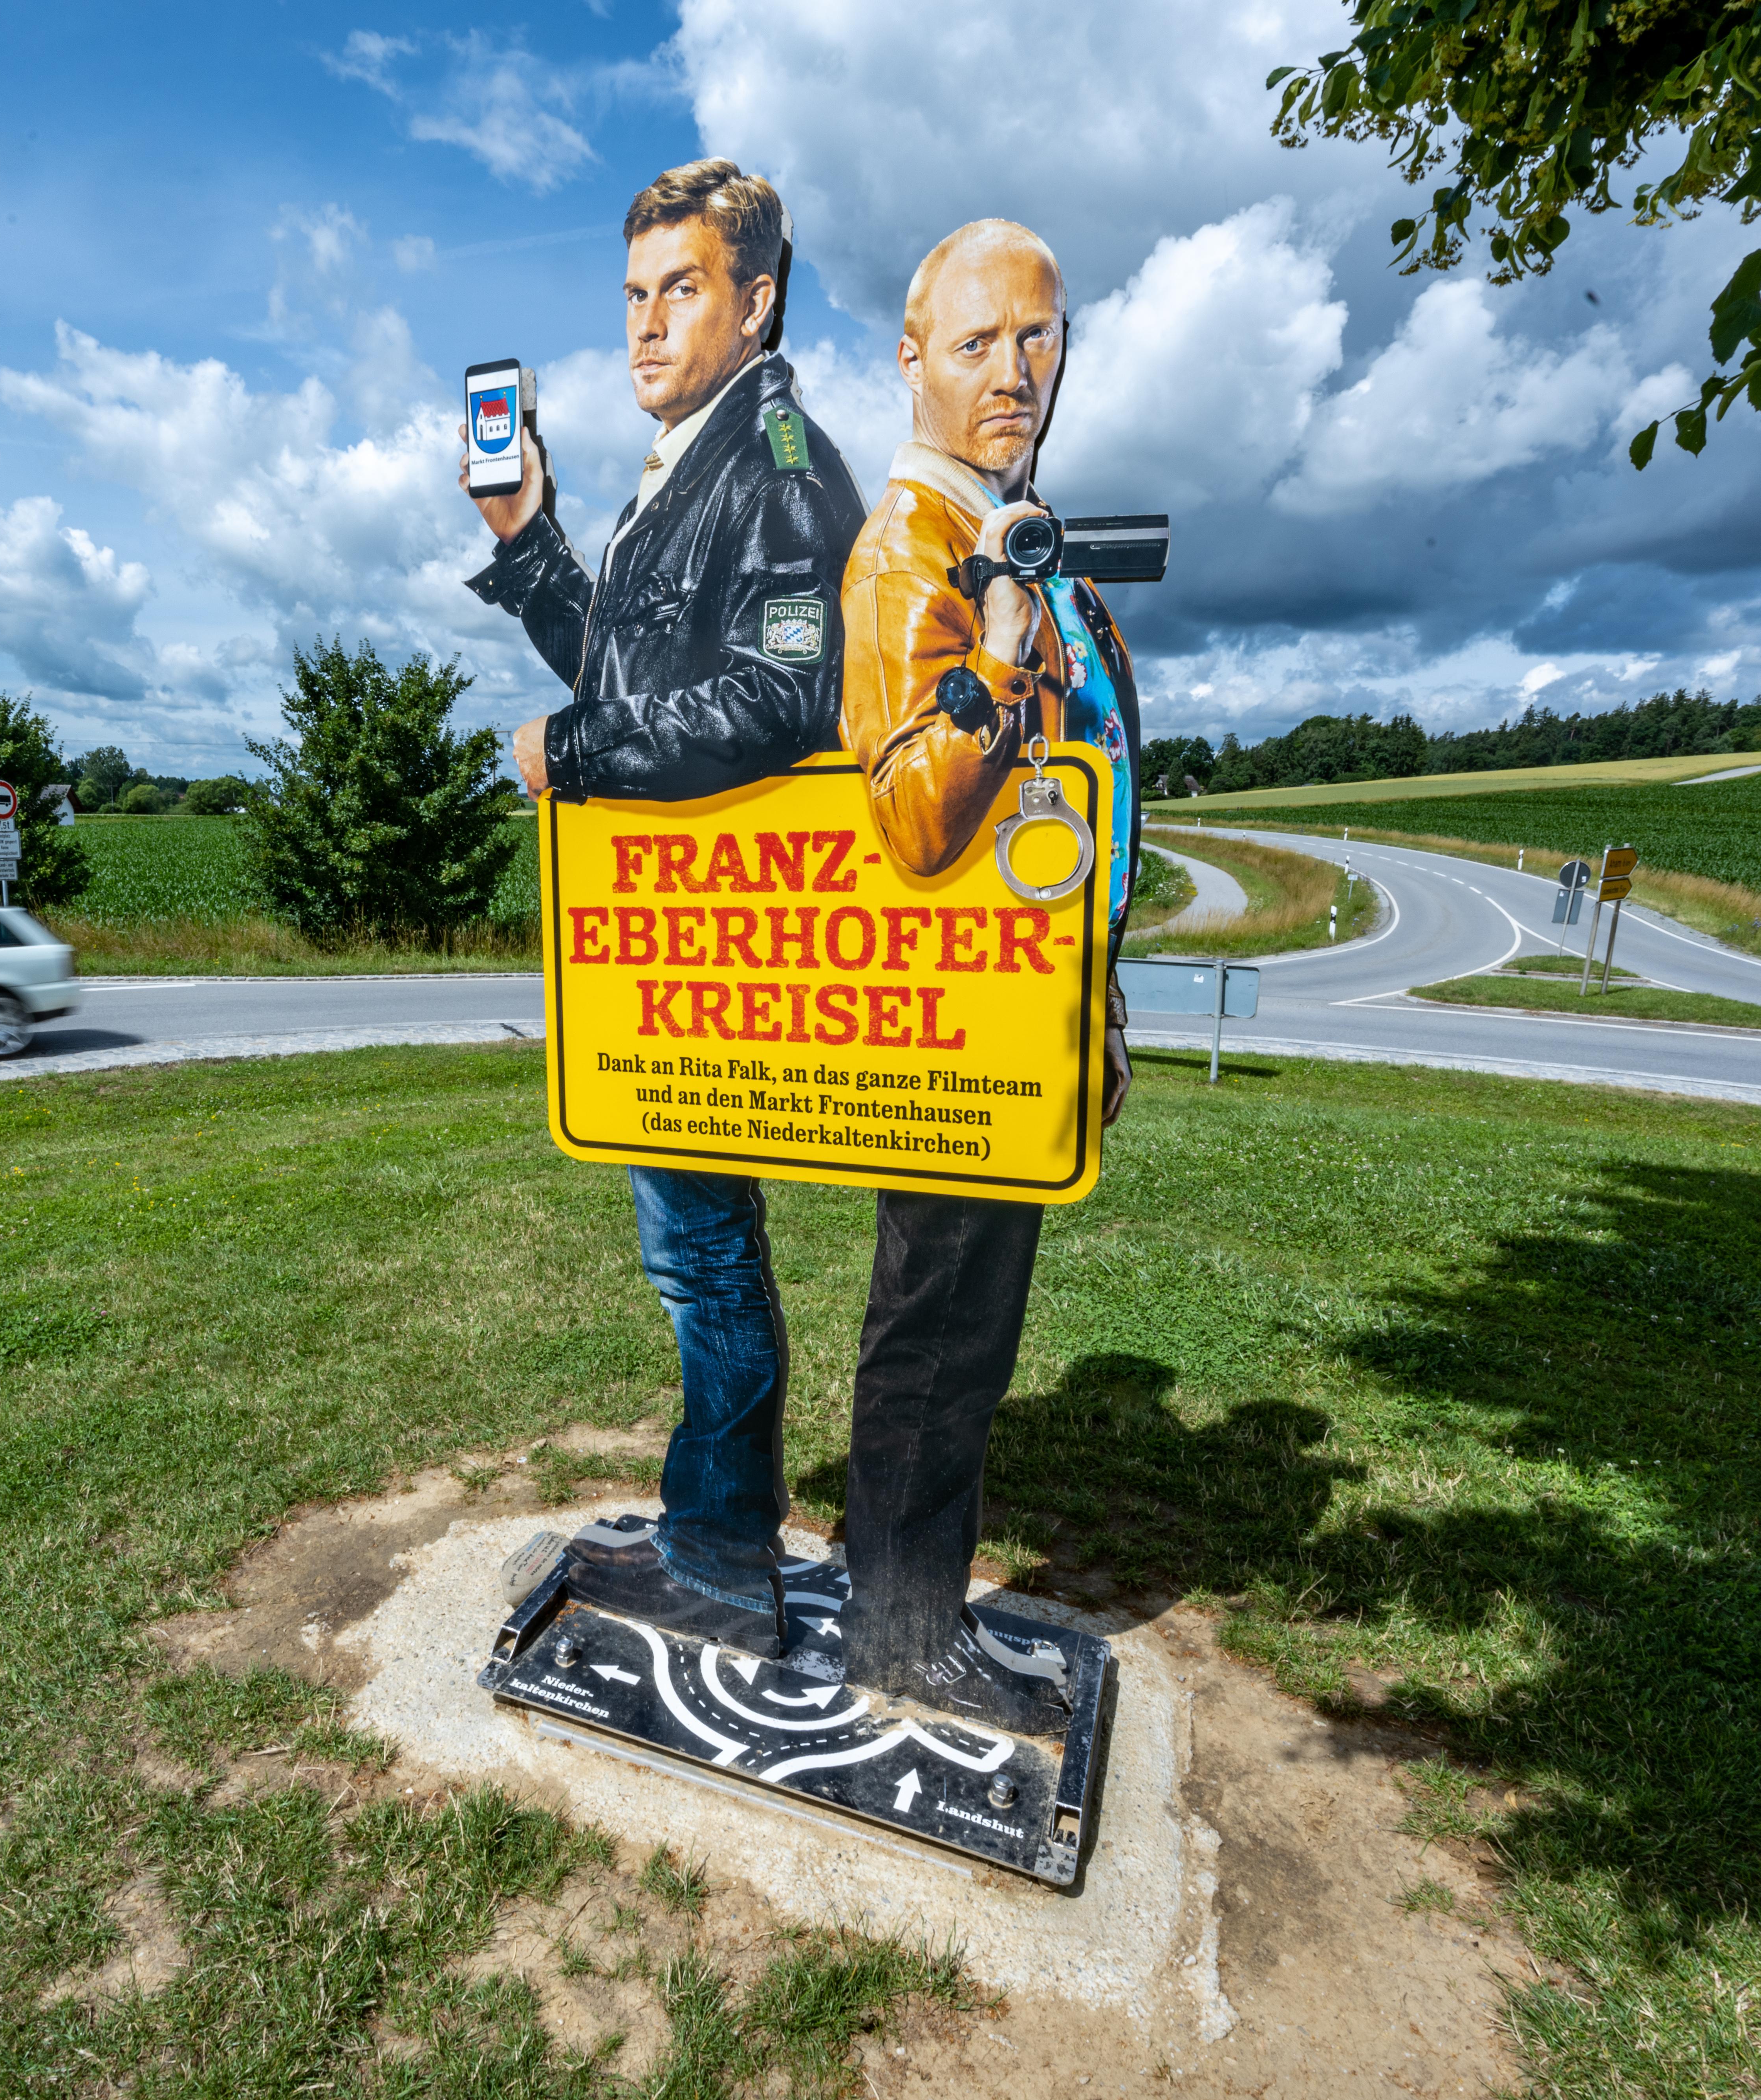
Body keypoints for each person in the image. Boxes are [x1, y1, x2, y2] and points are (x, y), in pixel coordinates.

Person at [463, 159, 867, 1660]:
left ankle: (716, 1549)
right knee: (688, 1255)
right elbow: (637, 668)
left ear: (754, 298)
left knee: (704, 1258)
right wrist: (529, 543)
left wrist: (564, 753)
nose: (642, 325)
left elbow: (777, 695)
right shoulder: (689, 455)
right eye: (631, 295)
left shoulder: (775, 460)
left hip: (721, 939)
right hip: (659, 936)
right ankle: (718, 1528)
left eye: (678, 288)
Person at [819, 218, 1139, 1731]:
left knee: (969, 1326)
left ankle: (906, 1598)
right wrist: (1006, 653)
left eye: (1039, 337)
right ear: (912, 360)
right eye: (976, 343)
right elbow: (907, 813)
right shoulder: (911, 551)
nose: (1015, 371)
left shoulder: (1005, 528)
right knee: (937, 1328)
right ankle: (896, 1629)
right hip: (954, 1028)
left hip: (1022, 1006)